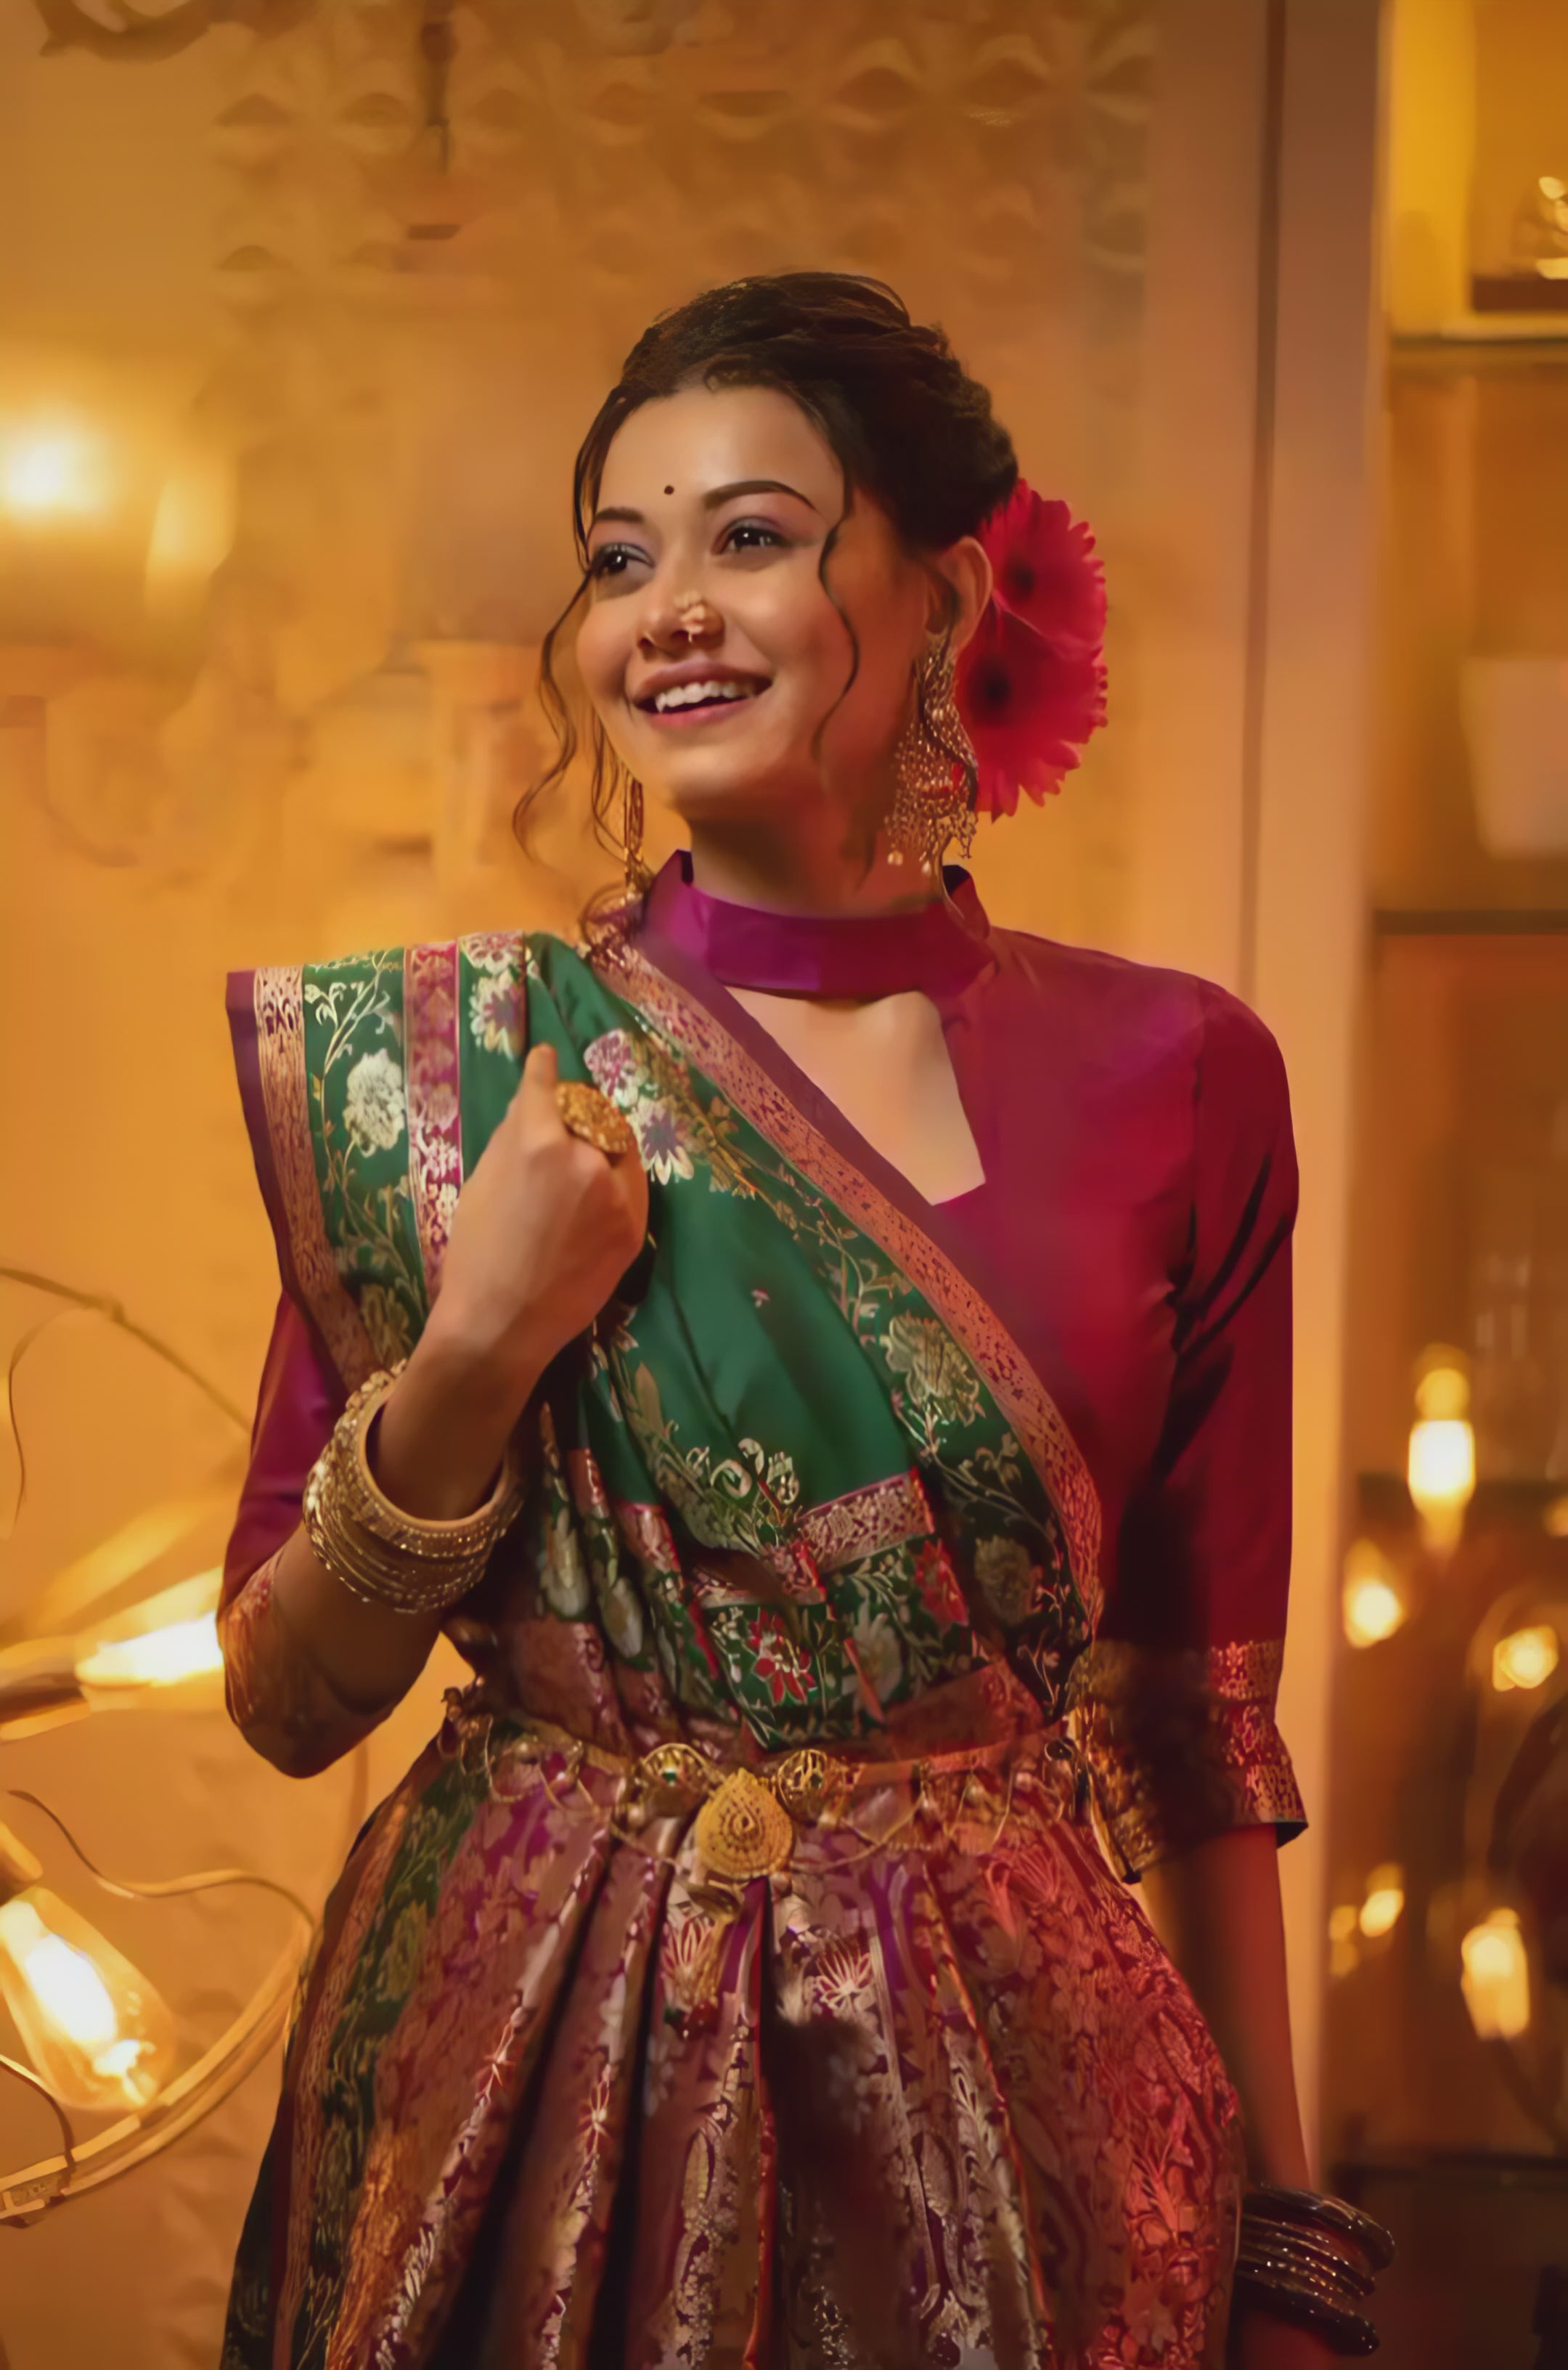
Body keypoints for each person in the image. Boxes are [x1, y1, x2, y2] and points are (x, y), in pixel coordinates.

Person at [217, 275, 1391, 2369]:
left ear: (952, 596)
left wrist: (1289, 2245)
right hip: (525, 2082)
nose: (666, 607)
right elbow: (291, 1698)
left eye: (750, 536)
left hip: (1010, 2111)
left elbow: (1195, 1730)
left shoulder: (1181, 1077)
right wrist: (478, 1352)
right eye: (618, 557)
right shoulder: (456, 1073)